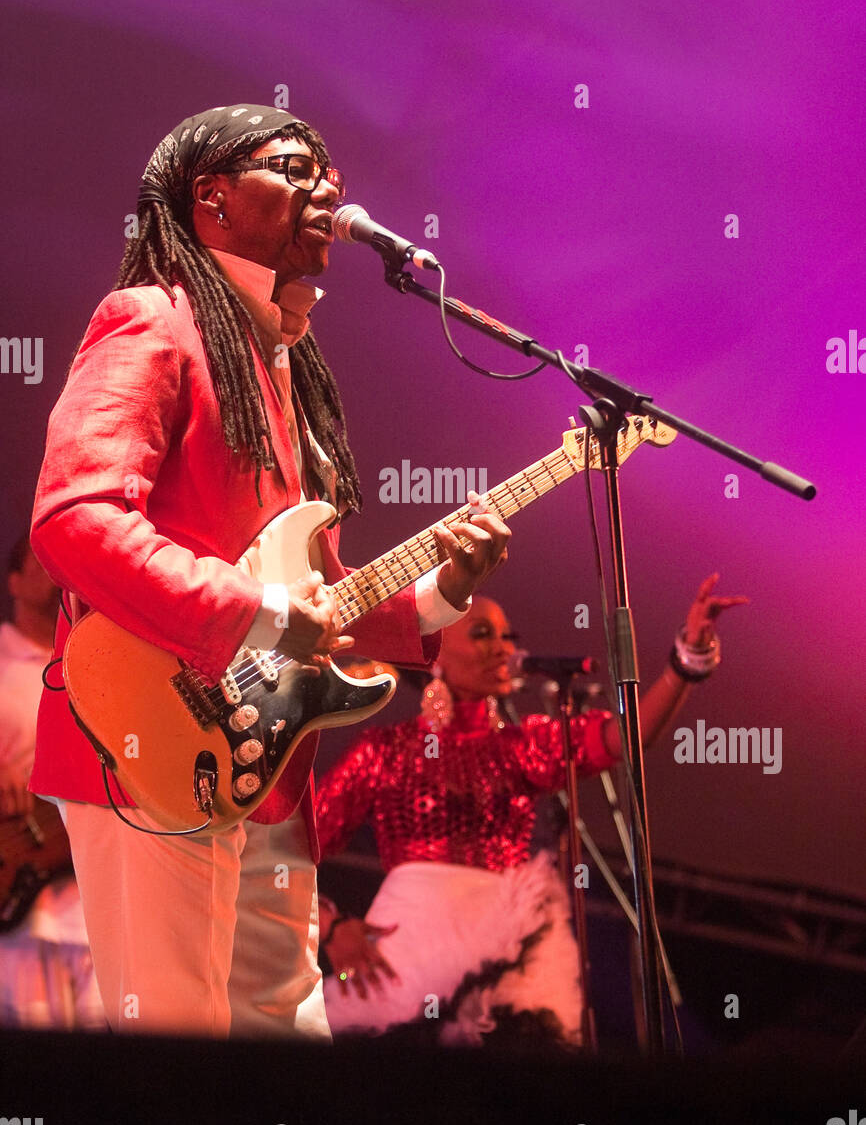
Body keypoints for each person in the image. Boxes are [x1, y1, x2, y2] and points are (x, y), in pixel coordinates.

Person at [28, 104, 510, 1039]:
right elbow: (74, 519)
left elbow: (315, 601)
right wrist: (253, 608)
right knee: (179, 1044)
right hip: (151, 741)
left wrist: (444, 592)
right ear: (210, 199)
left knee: (283, 1037)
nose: (329, 187)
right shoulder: (155, 320)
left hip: (264, 766)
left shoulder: (279, 362)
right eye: (295, 167)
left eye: (331, 170)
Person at [316, 579, 747, 1047]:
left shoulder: (524, 745)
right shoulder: (385, 751)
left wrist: (686, 661)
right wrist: (330, 926)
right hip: (407, 956)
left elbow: (629, 737)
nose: (502, 648)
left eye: (507, 636)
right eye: (483, 634)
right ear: (434, 653)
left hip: (510, 961)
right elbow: (292, 848)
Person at [0, 536, 104, 1030]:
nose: (54, 571)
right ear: (13, 582)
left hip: (97, 910)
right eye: (38, 563)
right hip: (23, 914)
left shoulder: (98, 667)